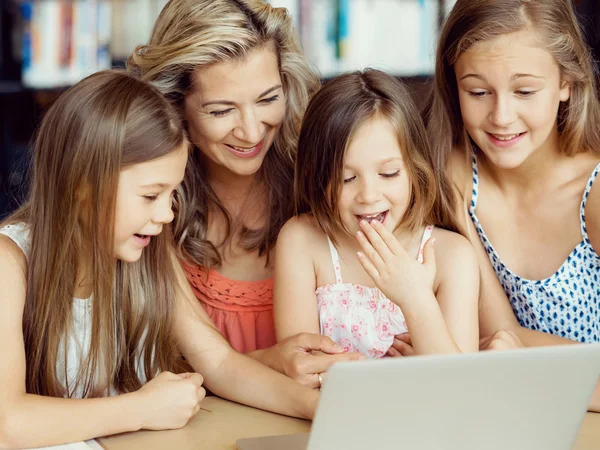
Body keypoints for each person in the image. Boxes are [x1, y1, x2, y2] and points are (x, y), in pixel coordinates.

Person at [0, 71, 317, 449]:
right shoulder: (10, 263)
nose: (167, 215)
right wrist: (141, 408)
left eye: (172, 194)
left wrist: (319, 406)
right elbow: (8, 423)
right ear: (84, 186)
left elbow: (218, 362)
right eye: (151, 196)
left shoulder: (147, 250)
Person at [128, 0, 363, 388]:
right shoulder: (151, 207)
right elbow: (154, 377)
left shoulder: (327, 181)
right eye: (222, 111)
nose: (252, 132)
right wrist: (267, 362)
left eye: (268, 99)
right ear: (174, 106)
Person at [424, 0, 600, 410]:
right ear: (454, 86)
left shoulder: (592, 192)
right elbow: (499, 332)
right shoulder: (452, 179)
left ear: (566, 82)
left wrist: (525, 355)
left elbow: (506, 347)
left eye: (524, 91)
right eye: (478, 91)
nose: (501, 116)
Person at [274, 70, 479, 361]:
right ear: (317, 178)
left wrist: (416, 299)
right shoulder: (302, 241)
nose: (368, 195)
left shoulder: (452, 256)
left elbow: (463, 386)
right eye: (346, 178)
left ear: (414, 171)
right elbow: (301, 367)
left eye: (388, 173)